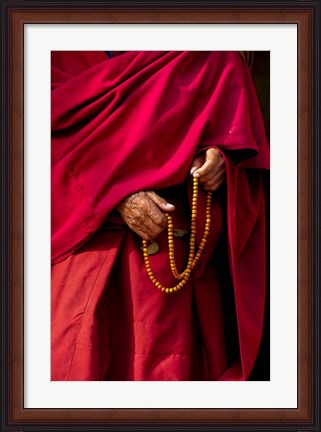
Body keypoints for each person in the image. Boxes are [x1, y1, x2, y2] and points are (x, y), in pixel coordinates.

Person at [51, 51, 270, 381]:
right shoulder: (51, 46)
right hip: (88, 252)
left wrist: (221, 159)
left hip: (177, 265)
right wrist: (110, 188)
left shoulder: (211, 51)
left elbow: (235, 132)